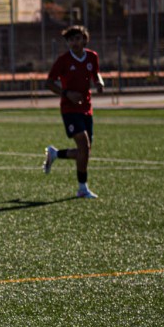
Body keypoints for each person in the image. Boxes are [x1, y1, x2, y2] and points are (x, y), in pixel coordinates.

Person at [42, 25, 104, 198]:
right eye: (70, 40)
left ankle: (55, 154)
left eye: (77, 38)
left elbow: (96, 73)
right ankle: (82, 188)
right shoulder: (63, 60)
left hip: (86, 108)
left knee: (84, 152)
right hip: (69, 109)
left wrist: (99, 82)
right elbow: (49, 83)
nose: (74, 42)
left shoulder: (92, 56)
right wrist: (67, 93)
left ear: (84, 39)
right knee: (83, 145)